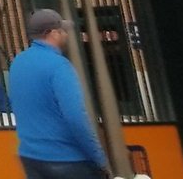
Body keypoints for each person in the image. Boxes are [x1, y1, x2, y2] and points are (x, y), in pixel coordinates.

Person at [8, 9, 110, 179]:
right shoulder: (59, 66)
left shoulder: (18, 62)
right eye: (63, 30)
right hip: (67, 159)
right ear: (53, 33)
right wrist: (99, 158)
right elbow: (76, 117)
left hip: (30, 156)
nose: (66, 35)